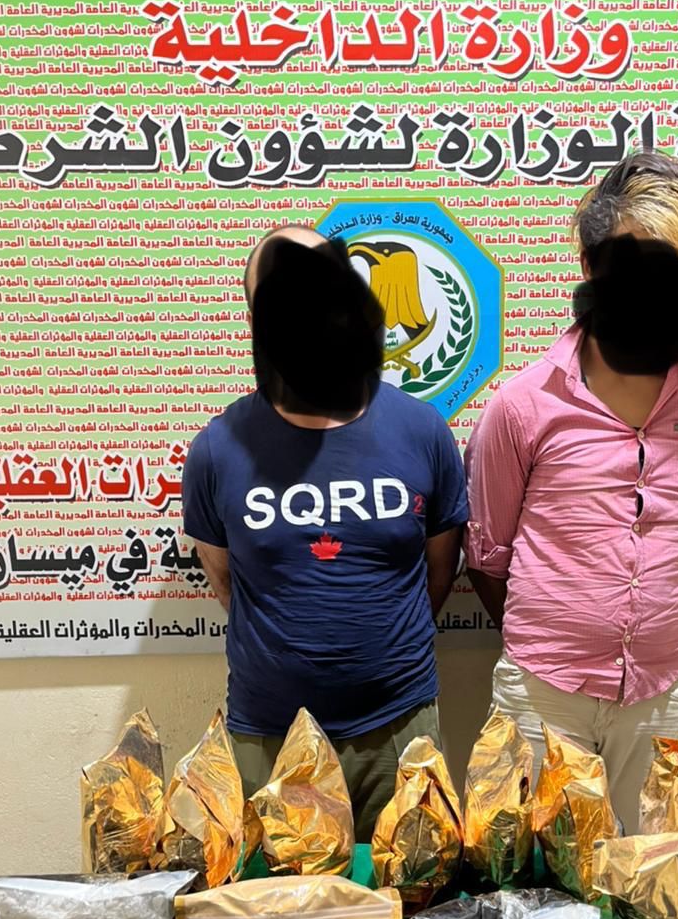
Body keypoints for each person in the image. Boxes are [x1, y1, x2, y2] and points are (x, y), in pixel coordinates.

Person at [464, 152, 678, 831]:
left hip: (665, 693)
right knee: (531, 876)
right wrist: (561, 635)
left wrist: (648, 628)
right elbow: (489, 556)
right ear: (591, 267)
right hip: (542, 695)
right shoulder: (523, 405)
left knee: (653, 870)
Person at [183, 225, 468, 838]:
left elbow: (439, 570)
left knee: (410, 887)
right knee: (277, 896)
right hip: (270, 737)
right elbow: (228, 582)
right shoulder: (216, 450)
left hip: (398, 729)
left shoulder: (422, 432)